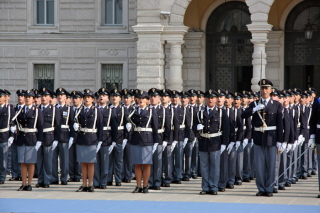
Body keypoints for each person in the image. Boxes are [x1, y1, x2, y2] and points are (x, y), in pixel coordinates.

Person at [242, 79, 284, 197]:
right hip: (258, 138)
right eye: (262, 88)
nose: (264, 90)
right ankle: (261, 188)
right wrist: (254, 110)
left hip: (271, 138)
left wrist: (280, 140)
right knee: (259, 166)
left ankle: (269, 188)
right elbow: (243, 115)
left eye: (266, 88)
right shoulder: (254, 104)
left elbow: (280, 124)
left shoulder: (277, 105)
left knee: (271, 165)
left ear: (271, 90)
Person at [193, 89, 230, 195]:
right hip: (203, 141)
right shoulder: (200, 113)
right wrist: (196, 127)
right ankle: (205, 187)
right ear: (205, 99)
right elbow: (193, 127)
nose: (210, 99)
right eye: (208, 98)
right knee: (204, 166)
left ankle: (213, 186)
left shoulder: (221, 113)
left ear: (215, 99)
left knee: (214, 166)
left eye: (212, 98)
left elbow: (226, 129)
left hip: (215, 142)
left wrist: (224, 143)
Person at [128, 91, 158, 193]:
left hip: (147, 140)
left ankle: (145, 186)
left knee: (146, 164)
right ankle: (138, 186)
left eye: (143, 98)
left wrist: (156, 142)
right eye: (139, 98)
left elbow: (155, 128)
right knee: (137, 164)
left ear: (147, 100)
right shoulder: (133, 111)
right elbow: (129, 122)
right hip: (136, 139)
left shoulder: (151, 111)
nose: (141, 100)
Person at [73, 89, 103, 192]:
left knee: (90, 163)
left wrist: (100, 140)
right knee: (83, 163)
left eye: (88, 98)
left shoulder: (96, 110)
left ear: (92, 99)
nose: (86, 99)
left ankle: (90, 184)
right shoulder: (79, 110)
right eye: (85, 97)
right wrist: (75, 127)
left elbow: (100, 126)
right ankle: (84, 184)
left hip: (92, 138)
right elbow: (76, 122)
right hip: (81, 138)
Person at [14, 90, 44, 191]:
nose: (27, 99)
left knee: (31, 162)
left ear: (33, 99)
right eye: (26, 97)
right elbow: (15, 122)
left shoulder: (37, 110)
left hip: (32, 138)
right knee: (22, 162)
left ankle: (29, 183)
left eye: (29, 97)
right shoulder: (19, 110)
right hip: (22, 138)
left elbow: (40, 126)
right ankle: (23, 183)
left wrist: (40, 140)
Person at [36, 88, 61, 188]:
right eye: (42, 96)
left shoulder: (54, 110)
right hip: (38, 138)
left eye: (46, 96)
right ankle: (40, 180)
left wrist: (56, 139)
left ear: (50, 98)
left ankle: (47, 180)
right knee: (39, 161)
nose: (43, 98)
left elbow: (58, 125)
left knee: (48, 160)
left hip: (48, 137)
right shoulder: (36, 109)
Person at [93, 88, 117, 189]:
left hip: (106, 139)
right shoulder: (94, 109)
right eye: (100, 95)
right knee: (95, 162)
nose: (101, 97)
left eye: (104, 95)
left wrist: (114, 141)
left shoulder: (111, 111)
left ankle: (103, 182)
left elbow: (114, 127)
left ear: (108, 99)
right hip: (94, 138)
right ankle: (96, 182)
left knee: (105, 162)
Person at [148, 88, 170, 190]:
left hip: (160, 138)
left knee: (158, 162)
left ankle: (157, 181)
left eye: (155, 97)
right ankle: (150, 181)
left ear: (159, 98)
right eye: (151, 97)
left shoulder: (164, 111)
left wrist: (166, 140)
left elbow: (168, 127)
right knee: (149, 162)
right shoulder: (147, 110)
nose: (153, 98)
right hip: (148, 139)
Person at [52, 88, 74, 185]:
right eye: (58, 95)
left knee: (64, 160)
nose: (60, 97)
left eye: (62, 95)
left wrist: (72, 137)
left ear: (65, 97)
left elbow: (72, 124)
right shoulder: (53, 108)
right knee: (53, 159)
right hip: (54, 137)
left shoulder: (69, 109)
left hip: (65, 137)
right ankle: (54, 178)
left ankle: (64, 178)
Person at [107, 89, 129, 186]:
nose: (114, 98)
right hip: (108, 137)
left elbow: (127, 124)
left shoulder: (123, 109)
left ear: (120, 98)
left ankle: (118, 179)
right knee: (109, 160)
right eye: (112, 96)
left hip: (120, 137)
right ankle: (109, 179)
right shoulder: (107, 109)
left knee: (119, 161)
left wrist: (125, 138)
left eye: (116, 96)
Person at [8, 90, 25, 182]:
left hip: (23, 135)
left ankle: (21, 174)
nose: (20, 98)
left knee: (22, 156)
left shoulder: (26, 109)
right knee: (14, 155)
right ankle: (15, 174)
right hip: (15, 135)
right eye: (19, 96)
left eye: (22, 96)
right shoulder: (14, 109)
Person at [68, 91, 83, 182]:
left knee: (79, 157)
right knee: (71, 157)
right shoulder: (69, 109)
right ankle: (72, 175)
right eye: (73, 98)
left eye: (76, 98)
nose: (74, 100)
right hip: (70, 136)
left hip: (80, 136)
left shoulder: (83, 109)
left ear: (81, 99)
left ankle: (78, 175)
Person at [0, 89, 14, 184]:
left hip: (4, 135)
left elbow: (13, 124)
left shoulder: (9, 108)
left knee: (3, 159)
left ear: (5, 98)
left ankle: (2, 177)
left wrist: (12, 136)